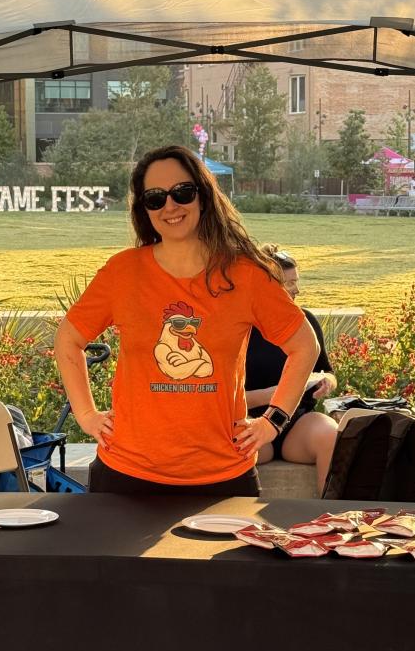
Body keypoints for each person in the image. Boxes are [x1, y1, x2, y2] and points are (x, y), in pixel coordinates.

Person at [54, 145, 318, 496]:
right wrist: (87, 415)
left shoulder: (245, 275)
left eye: (182, 192)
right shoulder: (123, 272)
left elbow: (305, 346)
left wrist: (274, 420)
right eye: (155, 198)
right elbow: (68, 339)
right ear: (144, 209)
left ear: (203, 196)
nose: (170, 206)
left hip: (223, 475)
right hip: (127, 473)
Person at [245, 247, 339, 495]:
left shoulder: (305, 321)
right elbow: (223, 396)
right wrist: (274, 395)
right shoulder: (242, 328)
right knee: (234, 441)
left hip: (298, 423)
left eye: (296, 281)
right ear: (267, 286)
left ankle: (332, 513)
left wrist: (326, 382)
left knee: (331, 434)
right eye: (289, 283)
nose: (296, 290)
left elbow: (327, 371)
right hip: (252, 420)